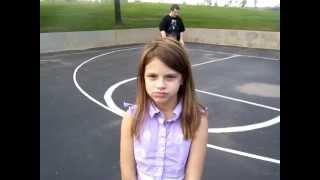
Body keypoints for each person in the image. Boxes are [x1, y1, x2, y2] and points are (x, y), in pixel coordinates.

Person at [120, 38, 208, 180]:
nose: (160, 85)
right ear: (143, 78)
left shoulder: (197, 118)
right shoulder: (132, 117)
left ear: (183, 79)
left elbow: (193, 175)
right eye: (152, 76)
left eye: (170, 77)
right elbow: (127, 171)